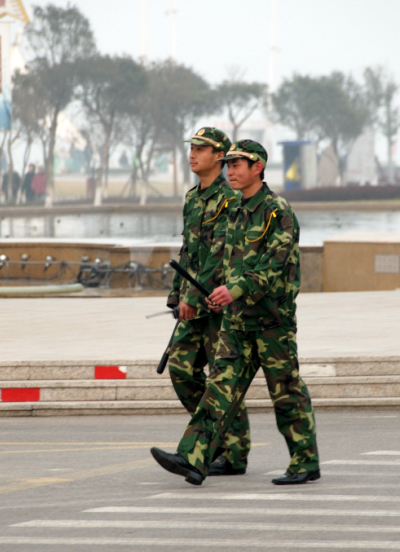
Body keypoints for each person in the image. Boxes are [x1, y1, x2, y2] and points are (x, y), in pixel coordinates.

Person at [151, 139, 320, 486]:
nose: (230, 171)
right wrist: (215, 296)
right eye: (228, 165)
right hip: (238, 321)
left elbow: (274, 265)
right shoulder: (234, 211)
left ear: (257, 167)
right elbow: (224, 262)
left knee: (286, 392)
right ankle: (194, 458)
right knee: (219, 389)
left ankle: (306, 461)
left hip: (272, 321)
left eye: (237, 165)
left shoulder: (278, 211)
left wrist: (235, 290)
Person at [166, 127, 252, 476]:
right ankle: (226, 445)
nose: (193, 154)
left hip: (218, 304)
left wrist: (193, 297)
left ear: (219, 155)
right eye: (192, 147)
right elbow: (188, 250)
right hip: (192, 301)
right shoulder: (192, 198)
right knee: (181, 369)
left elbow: (220, 256)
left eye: (201, 148)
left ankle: (231, 453)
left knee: (222, 378)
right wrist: (176, 294)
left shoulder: (230, 197)